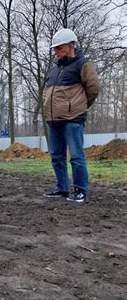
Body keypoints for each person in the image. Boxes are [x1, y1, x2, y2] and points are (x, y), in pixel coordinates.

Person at [43, 28, 100, 203]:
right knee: (56, 156)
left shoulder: (83, 64)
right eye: (54, 49)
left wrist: (79, 107)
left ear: (70, 46)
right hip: (54, 120)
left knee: (76, 156)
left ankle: (81, 190)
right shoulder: (54, 70)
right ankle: (62, 188)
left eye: (58, 48)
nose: (55, 52)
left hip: (73, 120)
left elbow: (94, 89)